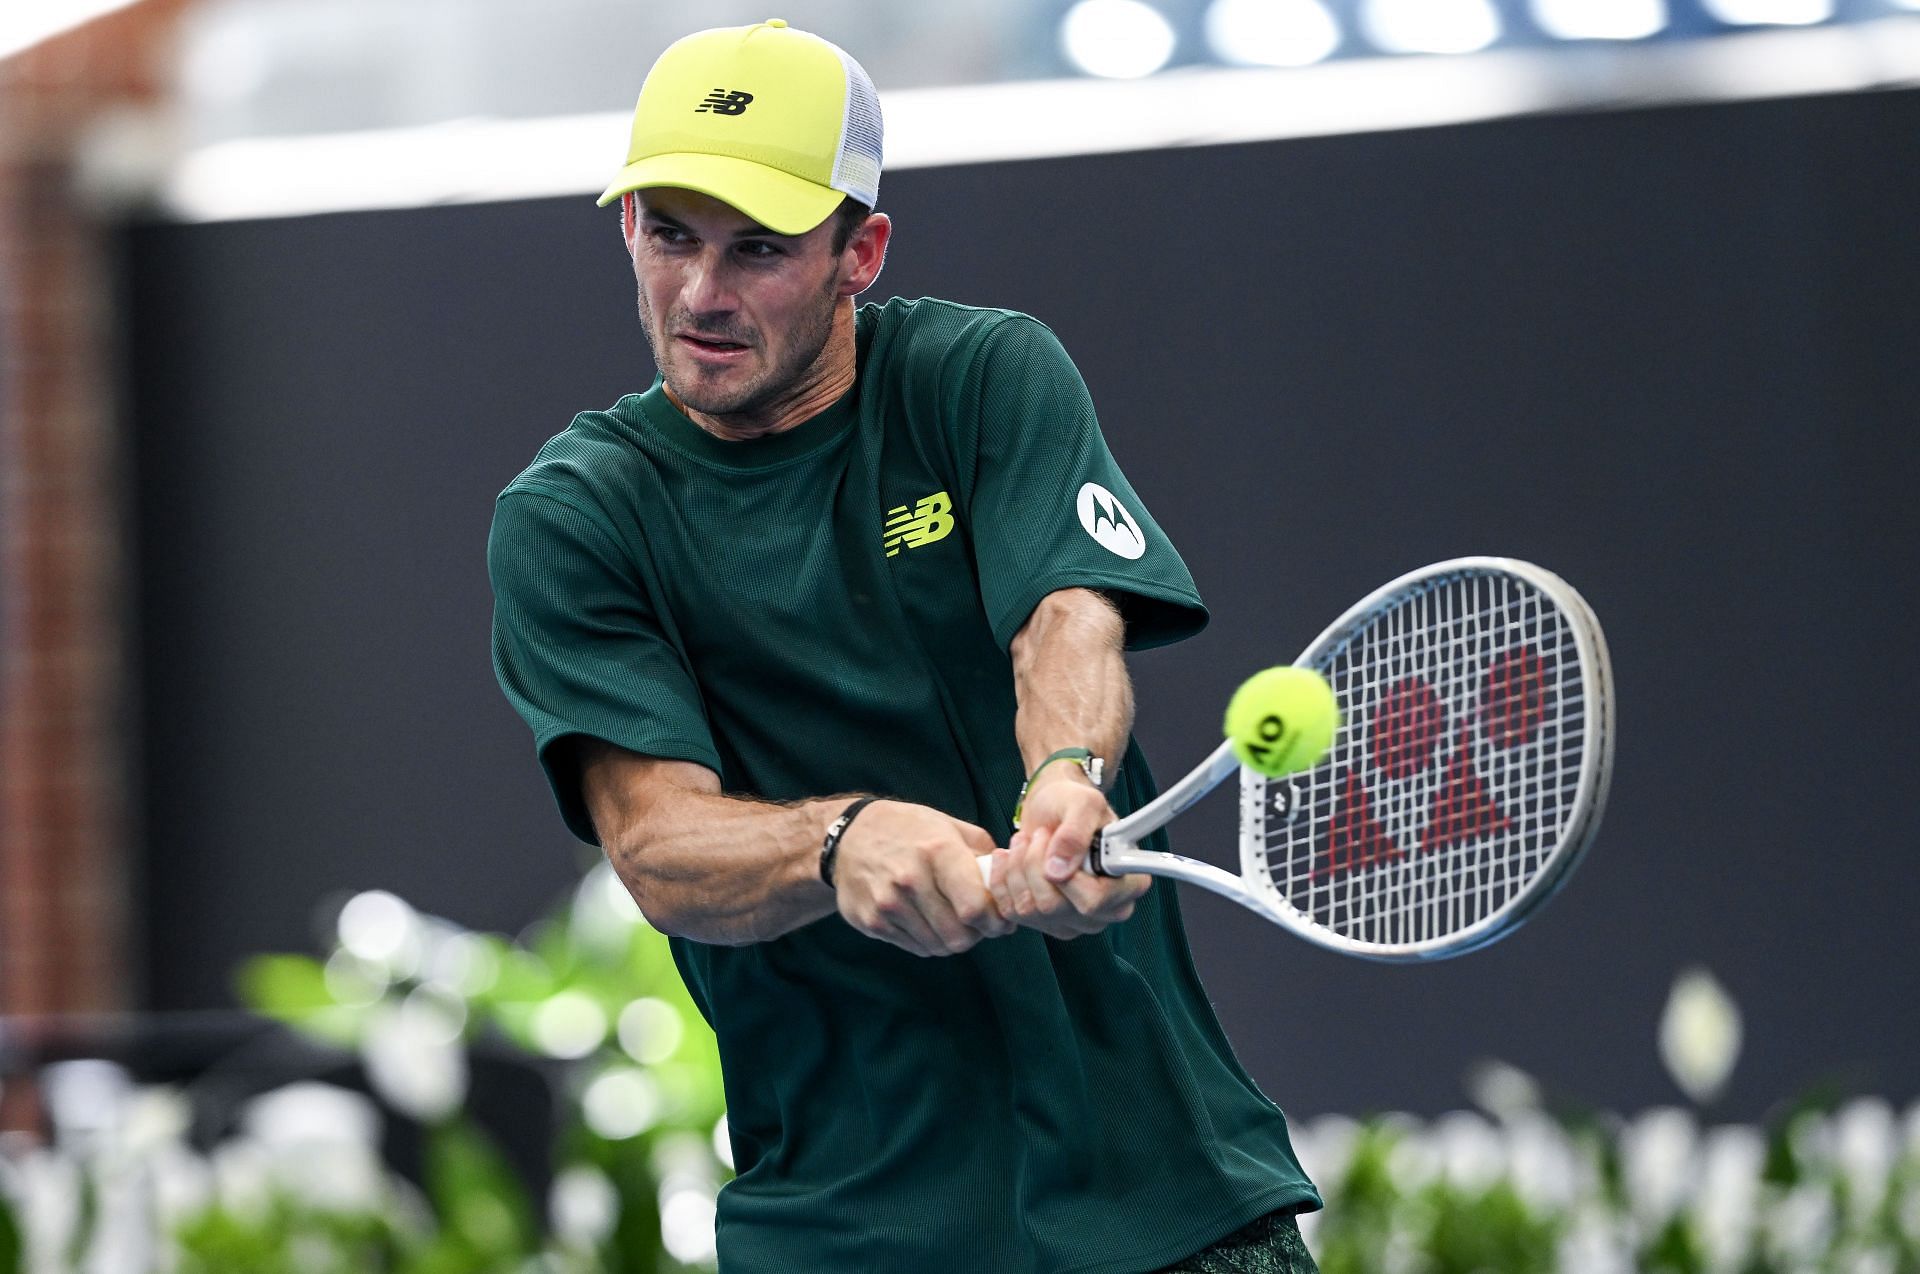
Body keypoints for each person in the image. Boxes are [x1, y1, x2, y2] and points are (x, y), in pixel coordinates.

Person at [488, 19, 1321, 1273]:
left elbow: (1067, 618)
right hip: (851, 1232)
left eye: (760, 248)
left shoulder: (983, 376)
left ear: (858, 252)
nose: (702, 294)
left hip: (1169, 1202)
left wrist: (1066, 782)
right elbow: (658, 842)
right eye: (670, 234)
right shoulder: (575, 515)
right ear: (628, 229)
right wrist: (839, 839)